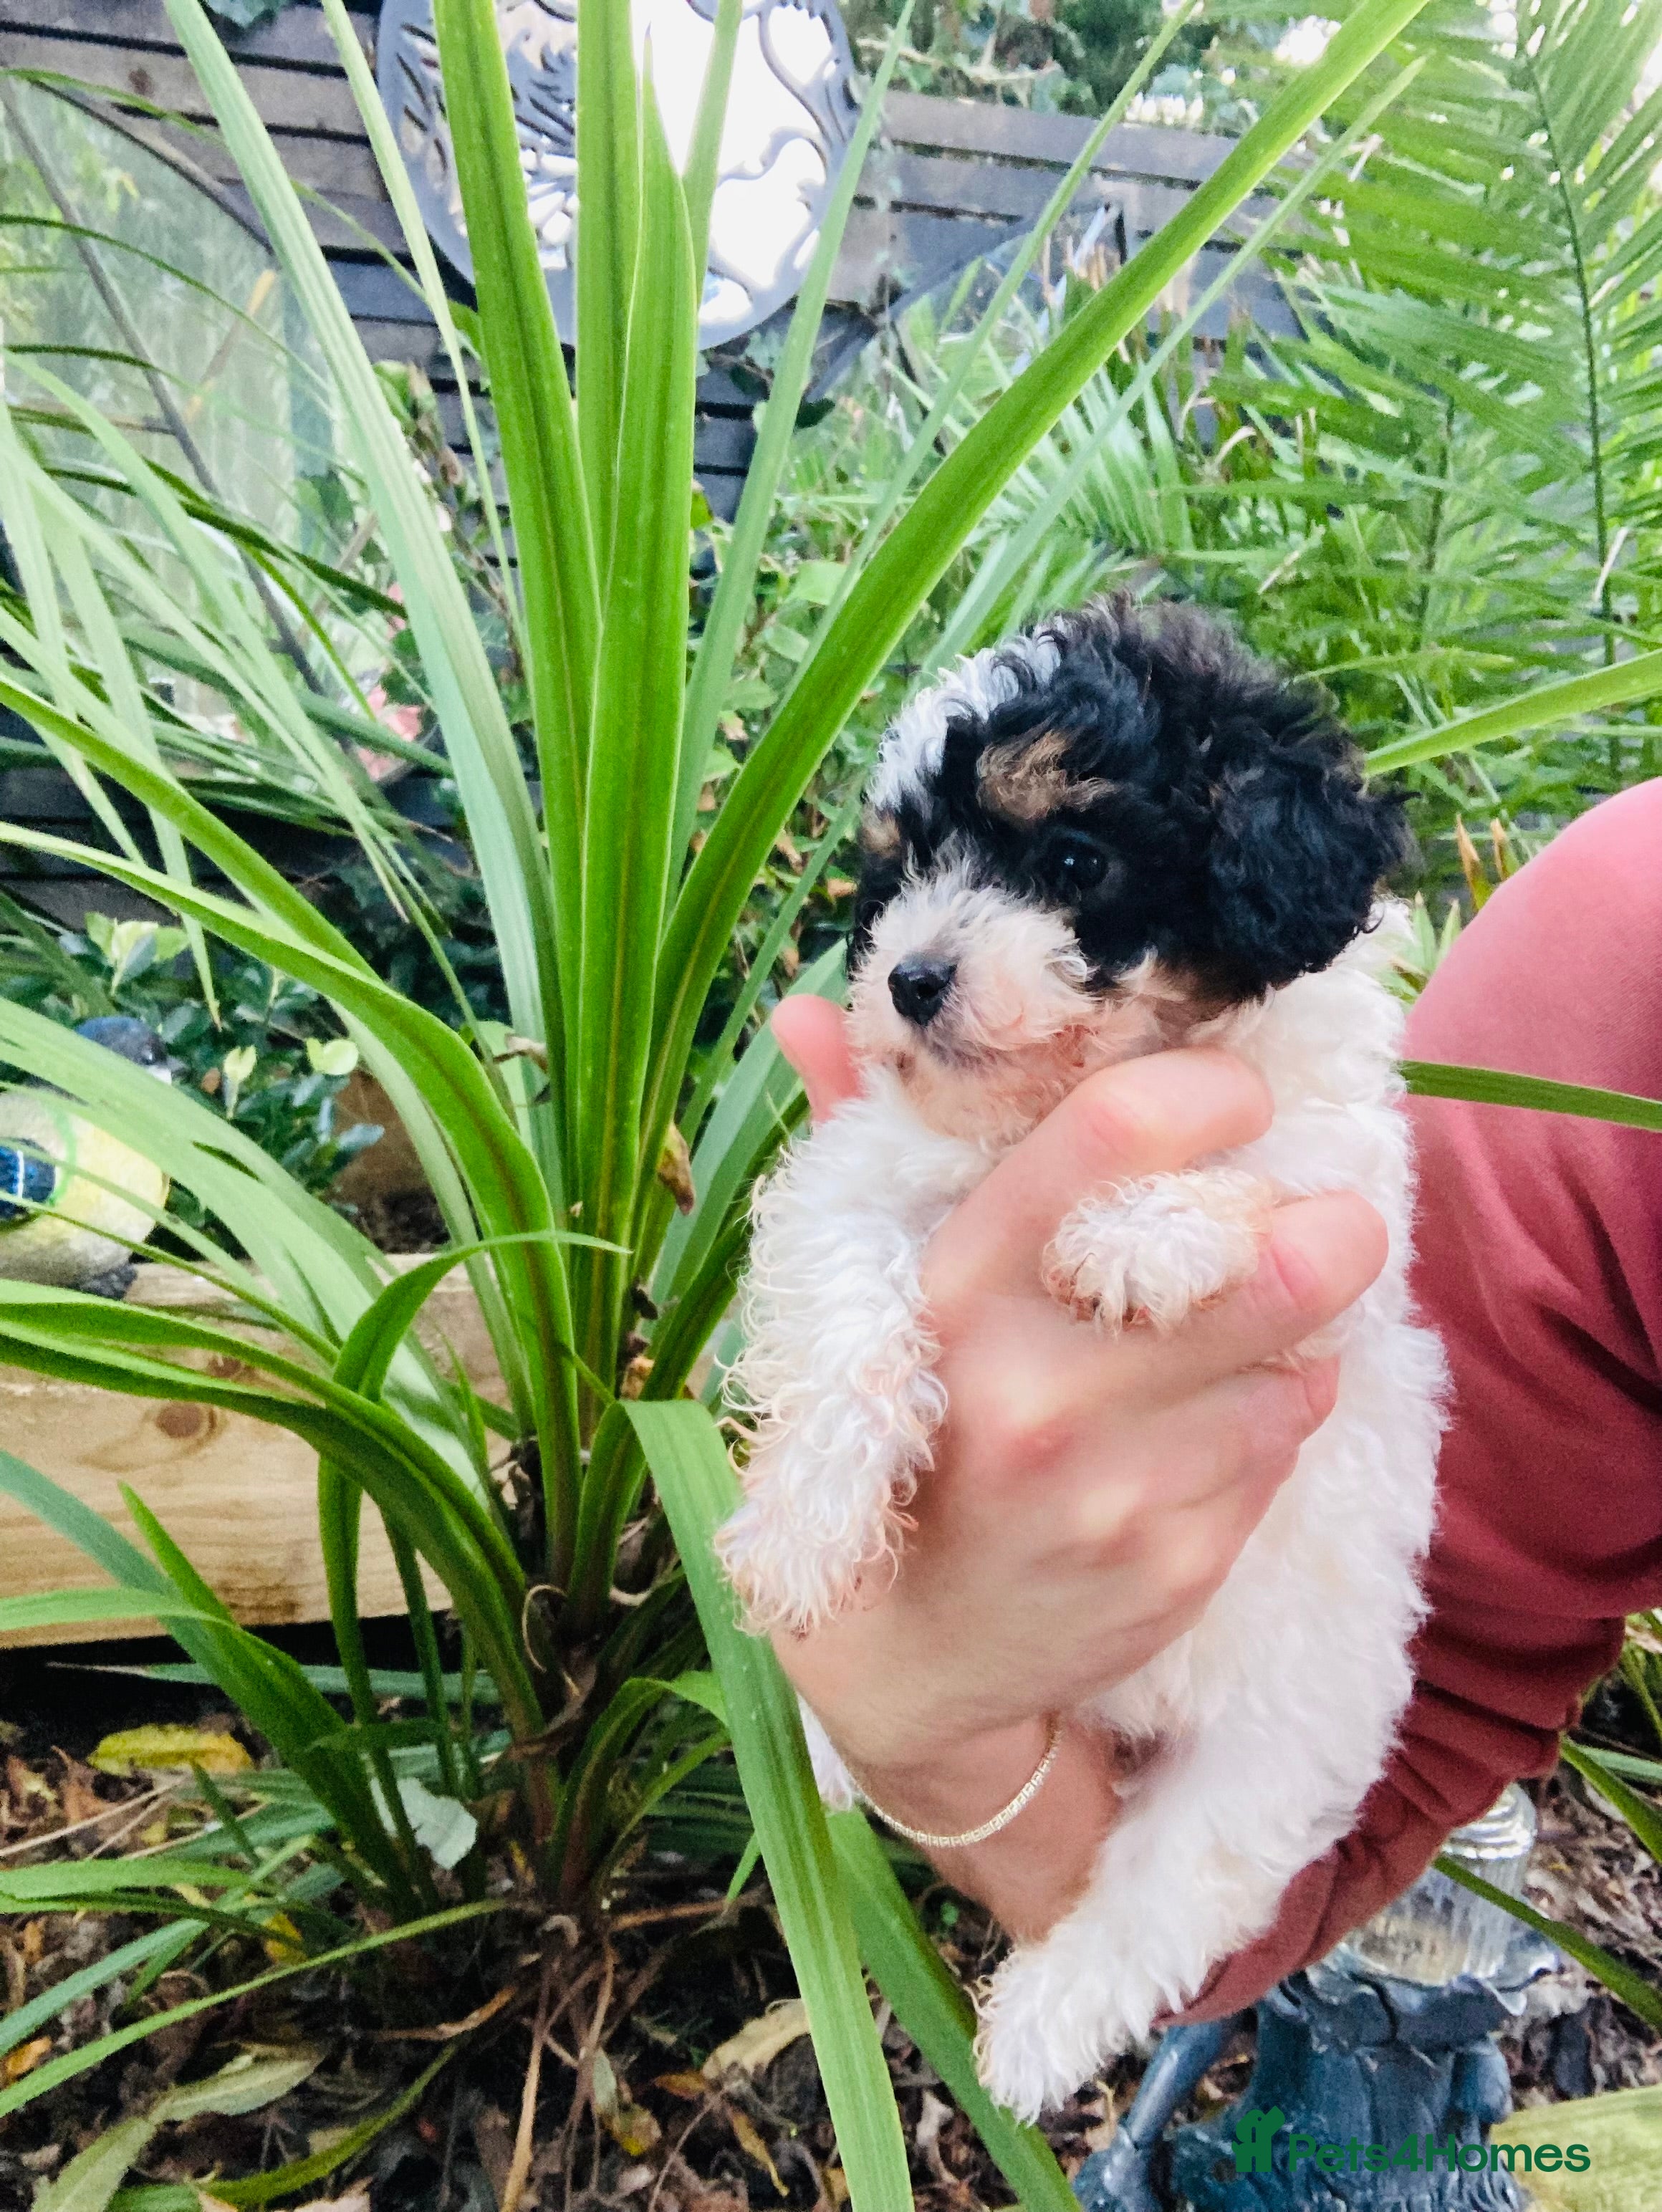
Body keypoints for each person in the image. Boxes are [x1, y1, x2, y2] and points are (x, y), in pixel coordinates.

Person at [767, 775, 1662, 2020]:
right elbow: (1415, 1694)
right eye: (900, 879)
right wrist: (938, 1738)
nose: (922, 947)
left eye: (1067, 871)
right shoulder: (1621, 956)